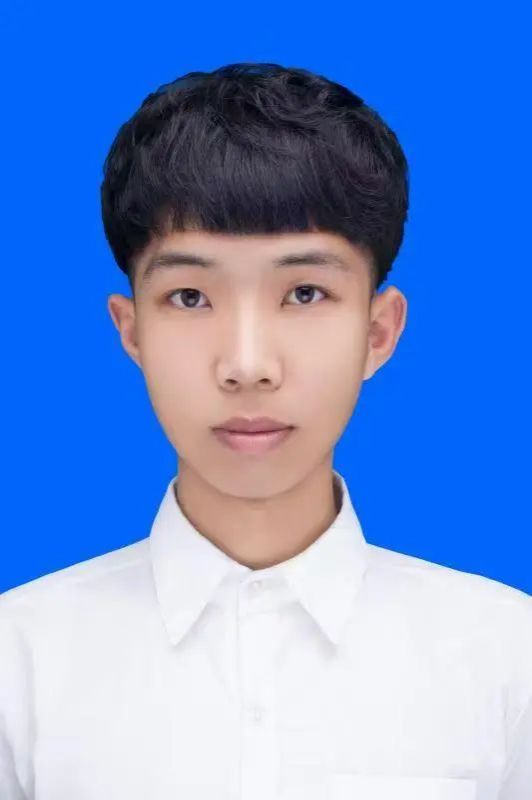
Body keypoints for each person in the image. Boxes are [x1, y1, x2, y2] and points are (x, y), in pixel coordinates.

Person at [1, 62, 530, 800]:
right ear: (132, 331)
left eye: (304, 292)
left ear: (378, 332)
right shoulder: (19, 664)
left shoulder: (508, 660)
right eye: (190, 296)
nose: (247, 365)